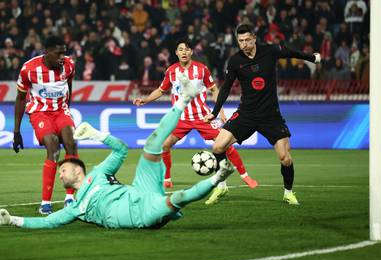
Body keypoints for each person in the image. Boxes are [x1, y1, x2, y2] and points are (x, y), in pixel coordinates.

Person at [0, 72, 235, 229]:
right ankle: (218, 177)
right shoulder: (76, 208)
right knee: (179, 198)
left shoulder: (99, 172)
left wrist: (97, 135)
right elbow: (49, 222)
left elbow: (122, 151)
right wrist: (13, 220)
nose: (60, 173)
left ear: (78, 169)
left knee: (152, 144)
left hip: (139, 189)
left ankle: (185, 98)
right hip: (139, 215)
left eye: (63, 169)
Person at [204, 23, 321, 205]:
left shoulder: (271, 51)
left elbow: (290, 52)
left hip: (270, 115)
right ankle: (222, 187)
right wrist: (215, 112)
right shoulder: (235, 61)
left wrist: (311, 58)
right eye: (240, 41)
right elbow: (226, 87)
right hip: (246, 114)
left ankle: (288, 192)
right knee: (218, 147)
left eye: (247, 40)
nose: (244, 44)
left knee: (285, 158)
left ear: (254, 38)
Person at [133, 38, 257, 205]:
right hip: (181, 118)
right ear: (176, 53)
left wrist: (219, 112)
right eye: (181, 49)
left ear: (191, 52)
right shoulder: (171, 71)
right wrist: (145, 100)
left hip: (202, 116)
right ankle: (167, 177)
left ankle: (244, 175)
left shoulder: (202, 69)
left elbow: (214, 90)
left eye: (187, 49)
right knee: (164, 145)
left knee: (225, 143)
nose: (184, 52)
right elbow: (161, 90)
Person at [13, 36, 78, 215]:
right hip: (40, 113)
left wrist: (67, 110)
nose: (62, 57)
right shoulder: (28, 69)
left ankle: (70, 197)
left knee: (71, 143)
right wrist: (16, 131)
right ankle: (45, 203)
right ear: (47, 52)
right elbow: (20, 99)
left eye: (64, 53)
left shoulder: (69, 65)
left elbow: (69, 86)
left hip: (61, 111)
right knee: (53, 146)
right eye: (58, 53)